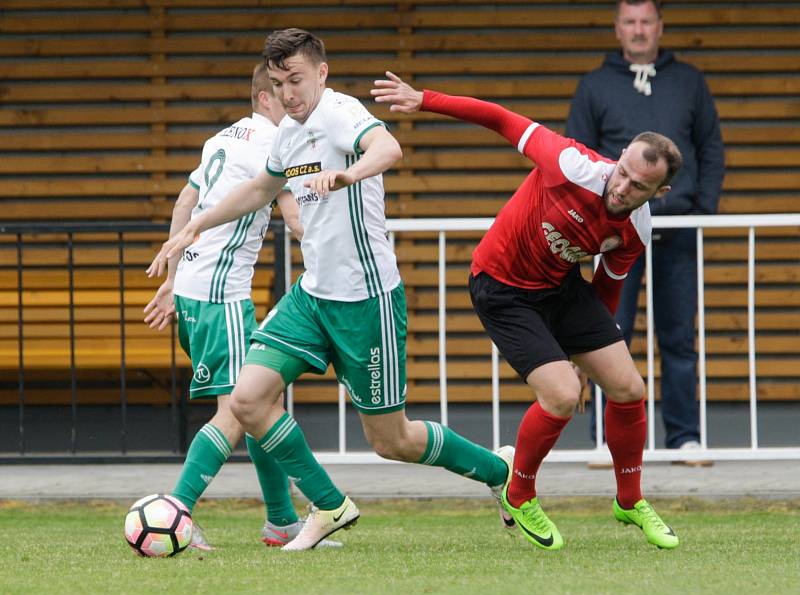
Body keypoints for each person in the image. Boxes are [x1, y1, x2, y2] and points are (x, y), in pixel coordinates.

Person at [148, 28, 513, 552]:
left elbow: (389, 147)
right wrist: (194, 227)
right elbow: (259, 190)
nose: (288, 94)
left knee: (394, 440)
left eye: (295, 79)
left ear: (321, 73)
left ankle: (499, 470)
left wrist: (349, 175)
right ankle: (328, 505)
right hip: (312, 295)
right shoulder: (287, 133)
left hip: (366, 301)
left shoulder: (340, 112)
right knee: (248, 399)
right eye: (278, 83)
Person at [371, 71, 683, 550]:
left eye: (639, 186)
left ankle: (629, 500)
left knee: (628, 387)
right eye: (623, 173)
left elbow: (607, 290)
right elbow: (498, 118)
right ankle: (519, 493)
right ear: (617, 156)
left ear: (657, 193)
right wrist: (424, 99)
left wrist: (586, 350)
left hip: (559, 287)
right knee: (562, 395)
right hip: (500, 286)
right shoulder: (569, 162)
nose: (623, 189)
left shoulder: (635, 228)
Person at [144, 63, 341, 550]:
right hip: (222, 294)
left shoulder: (220, 140)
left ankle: (280, 522)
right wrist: (340, 244)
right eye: (282, 90)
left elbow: (183, 204)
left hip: (193, 288)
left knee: (262, 405)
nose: (293, 100)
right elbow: (296, 217)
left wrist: (171, 280)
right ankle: (176, 513)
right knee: (238, 412)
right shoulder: (275, 144)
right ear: (264, 97)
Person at [566, 0, 724, 465]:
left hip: (678, 233)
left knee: (678, 336)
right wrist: (596, 223)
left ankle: (684, 438)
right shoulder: (594, 86)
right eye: (630, 22)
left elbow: (711, 150)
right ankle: (606, 440)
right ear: (618, 29)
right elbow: (577, 157)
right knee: (609, 335)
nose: (638, 30)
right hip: (614, 236)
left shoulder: (689, 81)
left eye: (646, 22)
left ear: (659, 27)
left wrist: (701, 210)